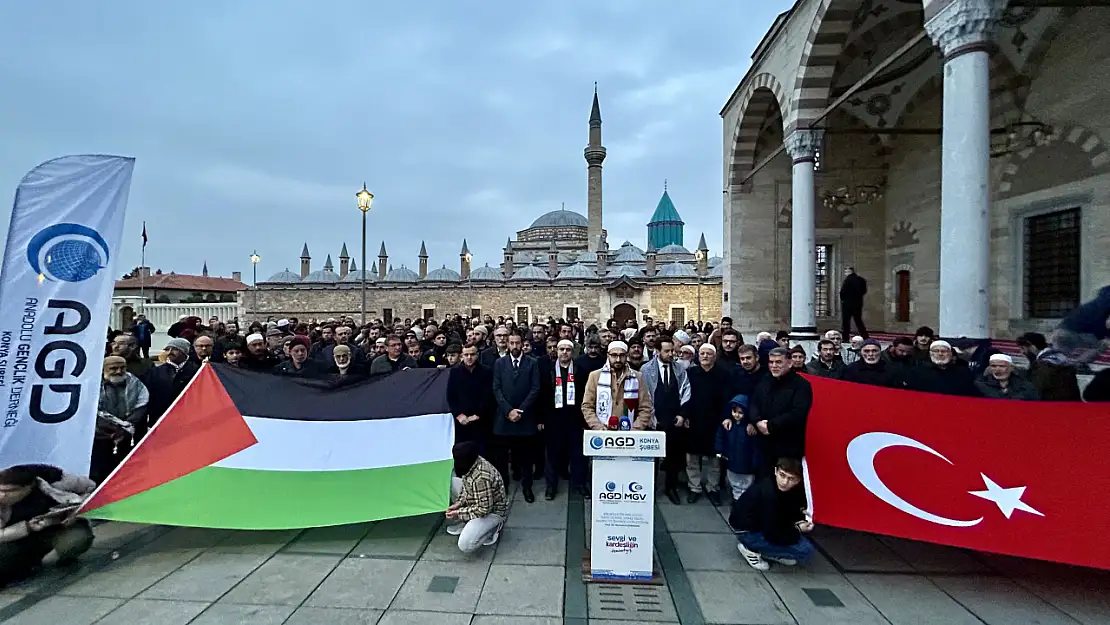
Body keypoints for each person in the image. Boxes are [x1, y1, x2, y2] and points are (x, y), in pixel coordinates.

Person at [0, 464, 96, 585]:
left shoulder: (58, 481)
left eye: (10, 491)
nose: (3, 495)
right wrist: (27, 527)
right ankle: (28, 562)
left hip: (61, 527)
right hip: (20, 536)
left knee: (76, 540)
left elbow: (92, 489)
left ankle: (67, 557)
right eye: (1, 490)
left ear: (28, 487)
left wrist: (75, 511)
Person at [729, 457, 814, 570]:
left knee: (802, 548)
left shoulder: (781, 487)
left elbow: (786, 512)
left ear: (798, 480)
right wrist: (797, 528)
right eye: (782, 475)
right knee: (805, 550)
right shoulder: (768, 492)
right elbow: (773, 532)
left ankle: (770, 551)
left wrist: (801, 514)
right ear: (776, 471)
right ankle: (750, 549)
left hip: (761, 526)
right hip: (748, 531)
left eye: (791, 478)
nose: (785, 482)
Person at [491, 331, 542, 503]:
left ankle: (527, 487)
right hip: (504, 418)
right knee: (502, 458)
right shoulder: (499, 363)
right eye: (511, 343)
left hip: (524, 417)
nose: (514, 346)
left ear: (522, 344)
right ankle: (503, 485)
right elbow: (496, 389)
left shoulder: (532, 363)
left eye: (517, 343)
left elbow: (535, 388)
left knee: (526, 456)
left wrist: (520, 410)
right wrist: (508, 411)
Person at [640, 336, 690, 505]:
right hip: (655, 419)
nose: (671, 354)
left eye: (672, 351)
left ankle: (671, 487)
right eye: (667, 351)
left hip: (675, 420)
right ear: (657, 351)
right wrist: (651, 417)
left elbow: (686, 391)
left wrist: (682, 414)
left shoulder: (679, 369)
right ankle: (649, 488)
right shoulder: (646, 369)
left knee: (674, 456)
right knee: (651, 458)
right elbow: (645, 395)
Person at [749, 348, 812, 475]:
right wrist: (757, 421)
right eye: (771, 362)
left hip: (788, 445)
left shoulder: (802, 385)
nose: (774, 366)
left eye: (778, 362)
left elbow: (798, 413)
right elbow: (754, 402)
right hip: (765, 444)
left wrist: (770, 426)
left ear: (789, 363)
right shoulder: (765, 380)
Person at [543, 340, 588, 499]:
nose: (565, 352)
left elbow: (585, 395)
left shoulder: (580, 371)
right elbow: (542, 395)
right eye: (561, 349)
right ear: (556, 350)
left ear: (572, 352)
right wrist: (541, 419)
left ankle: (579, 485)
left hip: (574, 419)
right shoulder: (547, 370)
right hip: (553, 419)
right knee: (552, 455)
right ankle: (551, 487)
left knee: (577, 455)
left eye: (568, 350)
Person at [93, 356, 149, 483]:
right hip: (101, 436)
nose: (119, 371)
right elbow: (92, 409)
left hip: (128, 435)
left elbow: (142, 405)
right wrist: (113, 428)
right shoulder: (93, 384)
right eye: (113, 368)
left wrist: (126, 427)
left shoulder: (135, 383)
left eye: (122, 367)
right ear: (103, 369)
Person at [445, 442, 508, 553]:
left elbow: (483, 509)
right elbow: (466, 485)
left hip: (492, 511)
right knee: (450, 481)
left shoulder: (481, 478)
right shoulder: (471, 461)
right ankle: (468, 522)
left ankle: (493, 527)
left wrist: (459, 513)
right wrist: (458, 503)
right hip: (479, 499)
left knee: (465, 545)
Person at [580, 341, 654, 431]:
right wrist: (598, 427)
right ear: (608, 356)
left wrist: (635, 429)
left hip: (631, 433)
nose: (618, 359)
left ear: (626, 356)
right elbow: (587, 406)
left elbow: (645, 407)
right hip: (602, 432)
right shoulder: (595, 376)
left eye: (622, 355)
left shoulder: (637, 377)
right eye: (614, 355)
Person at [447, 344, 494, 447]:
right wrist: (459, 415)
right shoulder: (455, 372)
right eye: (466, 354)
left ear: (477, 355)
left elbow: (488, 396)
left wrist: (478, 415)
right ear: (461, 356)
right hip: (461, 422)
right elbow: (451, 396)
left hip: (482, 422)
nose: (469, 357)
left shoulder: (486, 371)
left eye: (472, 354)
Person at [715, 395, 760, 502]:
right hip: (732, 460)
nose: (737, 415)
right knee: (733, 480)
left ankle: (741, 501)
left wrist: (755, 462)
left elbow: (756, 447)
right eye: (735, 411)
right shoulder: (729, 425)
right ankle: (736, 499)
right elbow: (720, 437)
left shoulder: (749, 429)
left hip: (746, 463)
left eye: (740, 413)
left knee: (746, 483)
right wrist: (719, 450)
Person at [975, 353, 1040, 400]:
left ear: (1011, 368)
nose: (997, 369)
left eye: (1002, 366)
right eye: (993, 366)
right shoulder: (979, 385)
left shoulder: (1025, 386)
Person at [839, 266, 868, 339]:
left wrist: (843, 299)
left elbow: (843, 292)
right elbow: (864, 291)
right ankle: (865, 336)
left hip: (847, 303)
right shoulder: (861, 280)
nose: (845, 273)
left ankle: (845, 337)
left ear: (849, 271)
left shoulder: (848, 280)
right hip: (858, 303)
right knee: (858, 320)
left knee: (846, 321)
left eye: (846, 271)